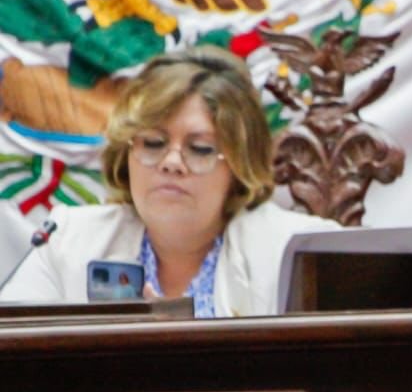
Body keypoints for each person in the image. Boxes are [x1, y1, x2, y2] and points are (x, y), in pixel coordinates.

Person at [0, 45, 336, 316]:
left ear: (239, 166)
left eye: (200, 149)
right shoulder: (68, 241)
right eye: (153, 143)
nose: (172, 163)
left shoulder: (296, 253)